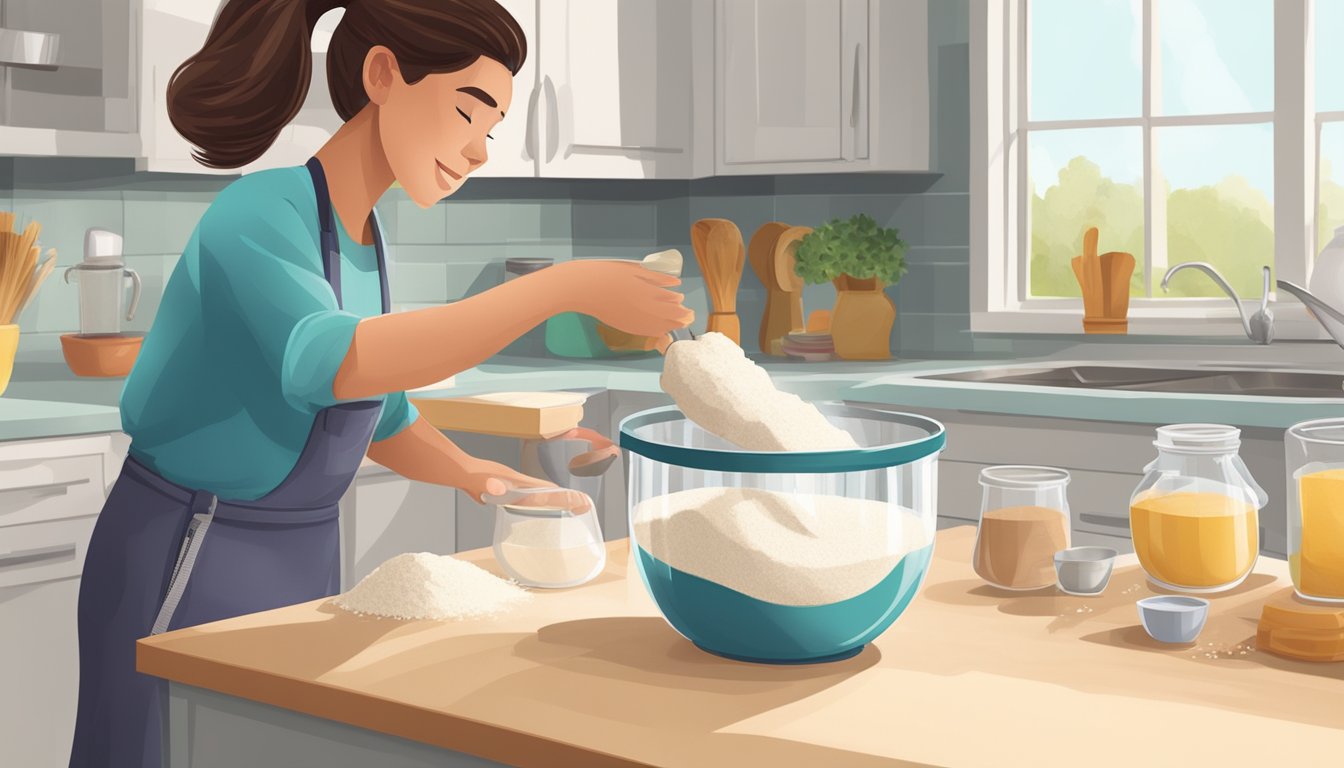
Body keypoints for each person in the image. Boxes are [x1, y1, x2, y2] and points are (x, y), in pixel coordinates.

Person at [68, 1, 692, 765]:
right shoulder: (258, 214)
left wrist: (477, 477)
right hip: (189, 552)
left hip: (302, 557)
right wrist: (558, 287)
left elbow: (378, 410)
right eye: (470, 112)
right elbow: (328, 363)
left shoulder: (364, 237)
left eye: (492, 130)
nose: (480, 151)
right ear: (383, 75)